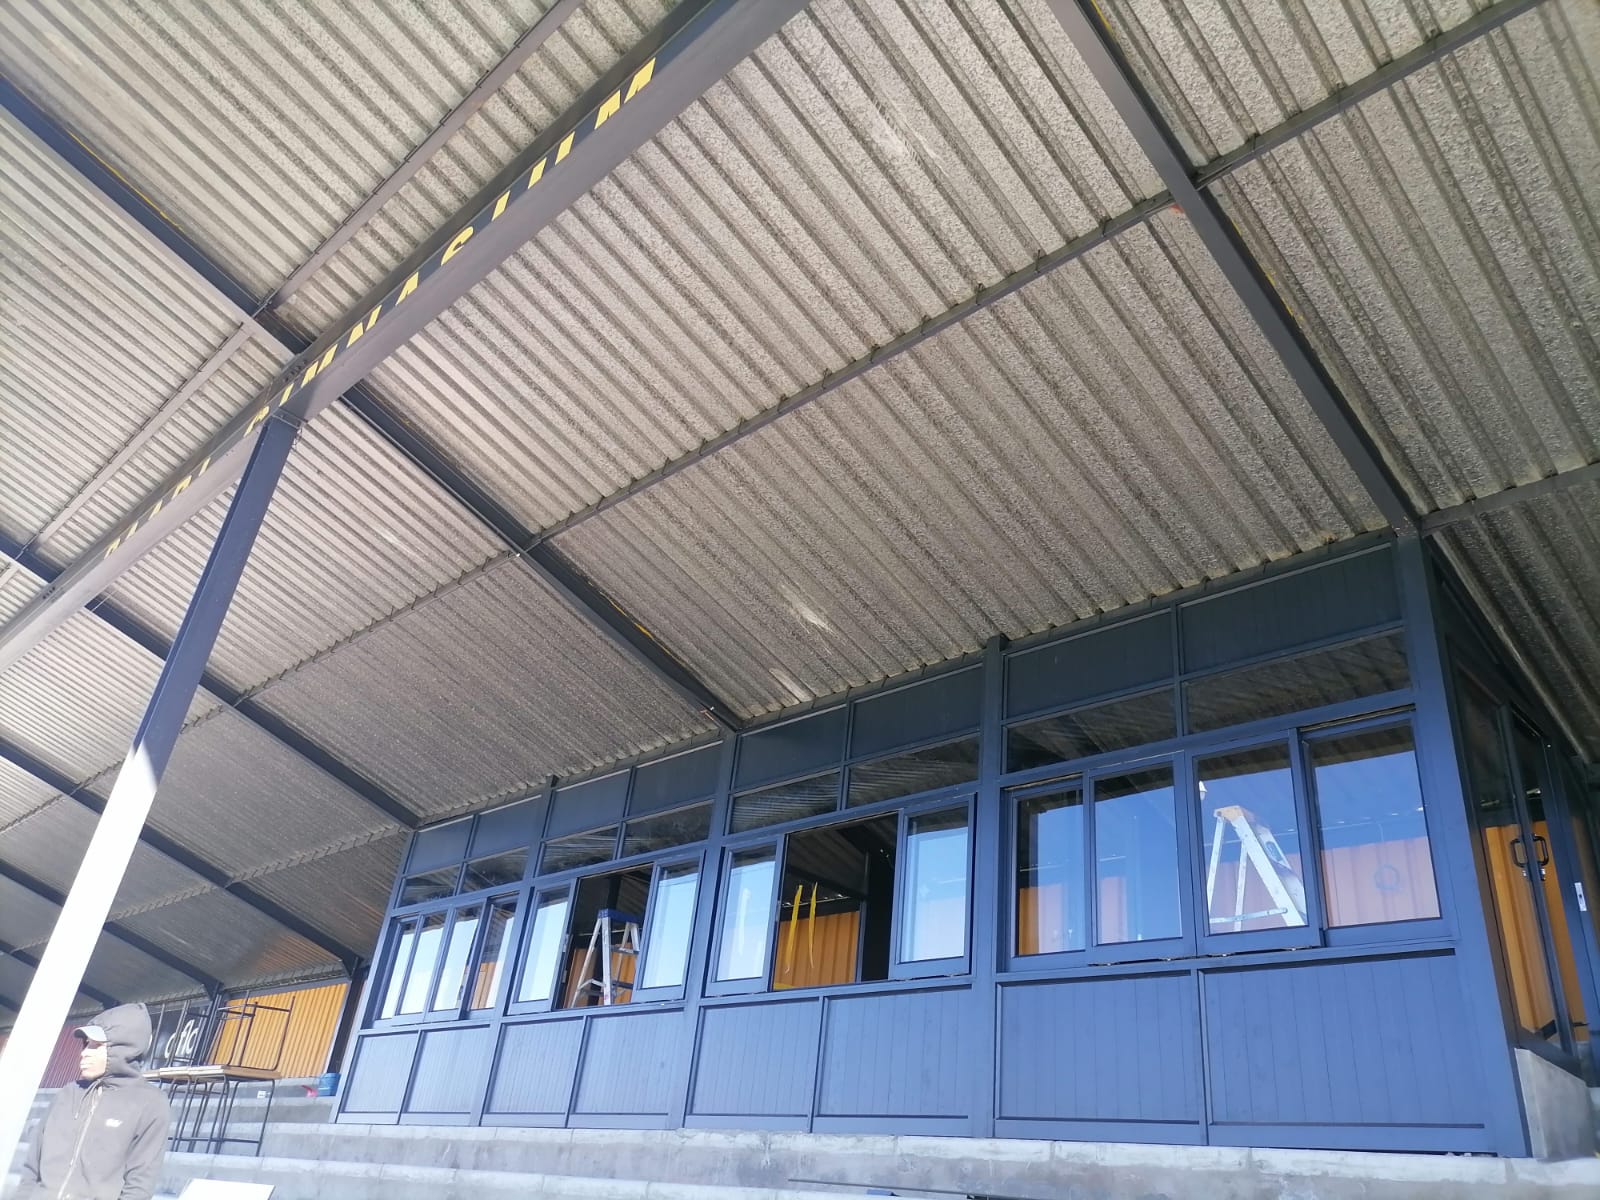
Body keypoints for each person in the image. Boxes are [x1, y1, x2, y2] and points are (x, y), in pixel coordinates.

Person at [12, 1003, 170, 1200]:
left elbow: (139, 1186)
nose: (84, 1052)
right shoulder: (67, 1094)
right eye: (86, 1044)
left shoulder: (151, 1104)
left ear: (122, 1049)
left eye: (95, 1045)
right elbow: (31, 1170)